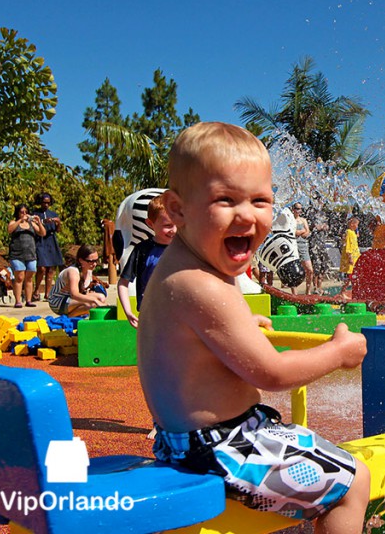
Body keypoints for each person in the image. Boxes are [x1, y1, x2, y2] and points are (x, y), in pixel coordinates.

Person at [137, 122, 370, 531]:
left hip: (185, 441)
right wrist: (339, 353)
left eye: (260, 200)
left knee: (295, 438)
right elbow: (272, 373)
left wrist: (242, 321)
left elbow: (198, 332)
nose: (246, 215)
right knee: (353, 483)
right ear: (177, 209)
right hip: (223, 449)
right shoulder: (204, 285)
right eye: (224, 200)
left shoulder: (181, 269)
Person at [116, 195, 176, 328]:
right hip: (151, 316)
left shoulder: (185, 249)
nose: (174, 230)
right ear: (150, 223)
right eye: (167, 225)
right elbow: (123, 282)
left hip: (180, 316)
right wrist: (128, 311)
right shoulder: (142, 250)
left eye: (178, 224)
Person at [47, 245, 107, 316]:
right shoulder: (73, 272)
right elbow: (74, 294)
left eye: (96, 260)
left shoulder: (87, 271)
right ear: (81, 260)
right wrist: (94, 300)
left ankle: (76, 314)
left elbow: (83, 291)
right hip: (58, 302)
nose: (94, 264)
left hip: (69, 298)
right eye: (91, 261)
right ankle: (69, 317)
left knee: (101, 297)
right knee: (92, 304)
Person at [7, 203, 47, 308]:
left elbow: (42, 233)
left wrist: (39, 223)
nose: (24, 214)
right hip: (17, 254)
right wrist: (20, 220)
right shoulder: (14, 222)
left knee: (29, 277)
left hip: (30, 254)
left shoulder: (31, 224)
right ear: (18, 213)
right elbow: (10, 229)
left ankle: (29, 300)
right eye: (22, 212)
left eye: (26, 212)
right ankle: (18, 301)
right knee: (19, 277)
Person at [33, 192, 65, 302]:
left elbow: (58, 230)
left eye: (48, 203)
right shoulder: (36, 213)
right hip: (41, 241)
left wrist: (57, 222)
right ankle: (36, 290)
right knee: (41, 267)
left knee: (51, 269)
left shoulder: (52, 214)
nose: (46, 205)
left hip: (51, 240)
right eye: (44, 202)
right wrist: (42, 222)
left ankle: (48, 293)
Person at [292, 203, 315, 294]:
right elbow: (293, 232)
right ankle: (294, 292)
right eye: (297, 208)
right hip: (293, 246)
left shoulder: (303, 220)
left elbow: (307, 232)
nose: (299, 210)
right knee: (293, 270)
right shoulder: (290, 220)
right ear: (293, 209)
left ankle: (308, 290)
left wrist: (300, 232)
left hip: (303, 246)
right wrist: (302, 231)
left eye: (300, 209)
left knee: (310, 270)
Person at [339, 217, 360, 294]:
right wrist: (350, 257)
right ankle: (342, 292)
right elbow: (348, 245)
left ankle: (344, 292)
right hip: (350, 259)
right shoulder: (349, 233)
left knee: (352, 276)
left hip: (355, 258)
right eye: (357, 225)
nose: (357, 226)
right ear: (352, 224)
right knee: (350, 277)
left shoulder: (352, 233)